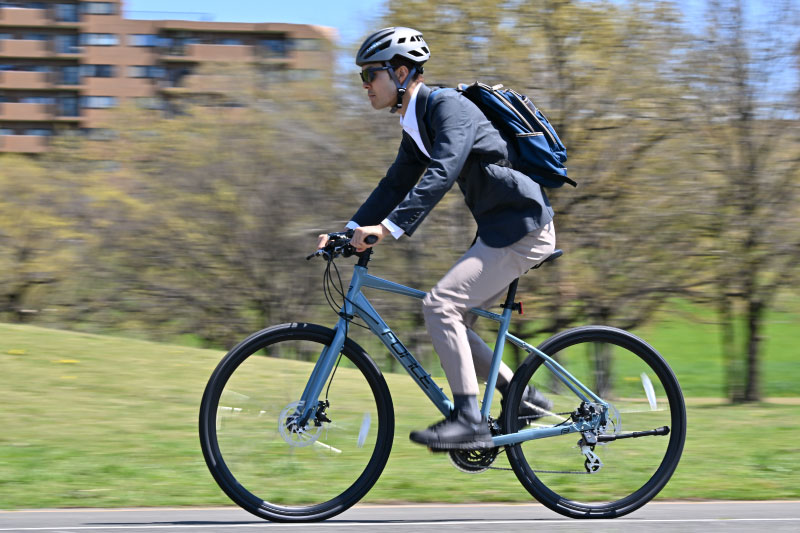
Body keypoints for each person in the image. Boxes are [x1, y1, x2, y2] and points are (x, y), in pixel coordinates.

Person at [318, 27, 555, 450]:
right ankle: (526, 398)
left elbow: (441, 172)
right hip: (501, 230)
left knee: (440, 305)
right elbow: (393, 186)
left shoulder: (448, 107)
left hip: (523, 228)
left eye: (370, 75)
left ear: (402, 72)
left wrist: (387, 229)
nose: (365, 86)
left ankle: (469, 420)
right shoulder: (417, 124)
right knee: (454, 319)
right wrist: (349, 232)